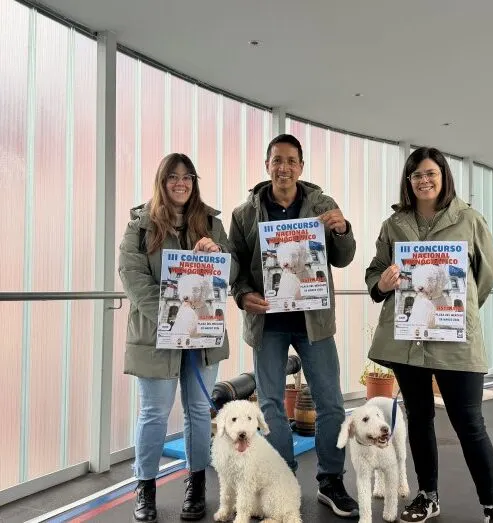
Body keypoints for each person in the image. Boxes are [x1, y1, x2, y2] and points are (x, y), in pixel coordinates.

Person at [364, 146, 493, 523]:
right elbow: (375, 273)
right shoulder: (394, 225)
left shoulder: (469, 219)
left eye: (430, 173)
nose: (424, 181)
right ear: (408, 182)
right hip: (408, 340)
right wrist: (383, 281)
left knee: (470, 425)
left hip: (455, 341)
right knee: (420, 418)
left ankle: (492, 506)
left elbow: (486, 275)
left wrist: (458, 311)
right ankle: (428, 496)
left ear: (443, 176)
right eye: (416, 175)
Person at [228, 133, 360, 518]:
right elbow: (234, 267)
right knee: (269, 407)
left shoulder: (323, 204)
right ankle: (280, 480)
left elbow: (344, 257)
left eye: (291, 161)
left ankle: (331, 481)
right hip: (267, 323)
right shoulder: (243, 215)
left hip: (313, 322)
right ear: (266, 165)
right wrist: (240, 296)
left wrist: (342, 230)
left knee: (330, 402)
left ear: (301, 167)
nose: (283, 167)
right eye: (276, 160)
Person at [119, 153, 235, 522]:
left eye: (187, 177)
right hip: (156, 336)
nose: (180, 183)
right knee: (154, 413)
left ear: (194, 182)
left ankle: (196, 483)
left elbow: (229, 272)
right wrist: (172, 318)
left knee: (199, 412)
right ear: (162, 181)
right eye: (173, 177)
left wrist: (218, 255)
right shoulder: (140, 226)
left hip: (202, 337)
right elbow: (133, 277)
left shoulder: (212, 225)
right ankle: (145, 487)